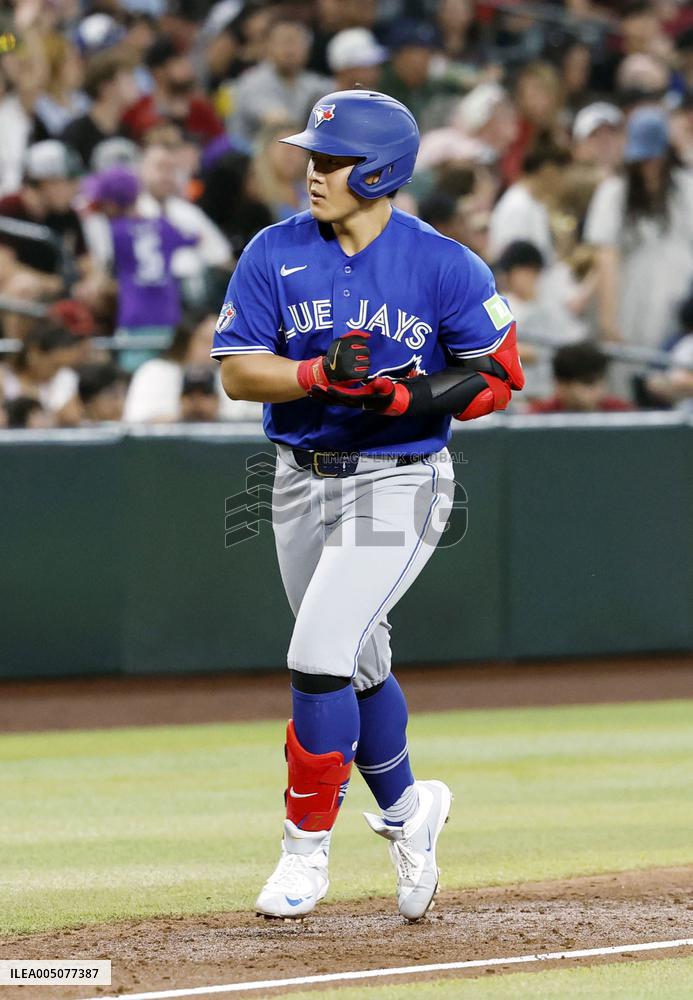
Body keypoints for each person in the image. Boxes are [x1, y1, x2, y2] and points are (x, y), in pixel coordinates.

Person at [211, 89, 524, 921]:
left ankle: (303, 852)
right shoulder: (273, 250)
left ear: (380, 170)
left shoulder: (442, 264)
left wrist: (404, 397)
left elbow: (498, 375)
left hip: (399, 479)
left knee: (318, 650)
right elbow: (237, 371)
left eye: (332, 160)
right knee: (357, 665)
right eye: (311, 157)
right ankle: (409, 812)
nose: (312, 172)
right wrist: (316, 374)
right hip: (297, 477)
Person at [584, 106, 693, 348]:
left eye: (653, 159)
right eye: (642, 161)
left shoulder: (686, 188)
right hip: (632, 298)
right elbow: (606, 256)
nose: (648, 167)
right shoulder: (614, 192)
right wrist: (608, 319)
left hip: (681, 295)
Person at [61, 51, 139, 168]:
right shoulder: (77, 132)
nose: (135, 86)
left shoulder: (126, 130)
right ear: (106, 87)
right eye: (128, 81)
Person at [528, 342, 632, 413]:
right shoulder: (537, 417)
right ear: (562, 385)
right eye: (588, 383)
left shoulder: (621, 413)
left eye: (601, 380)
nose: (599, 390)